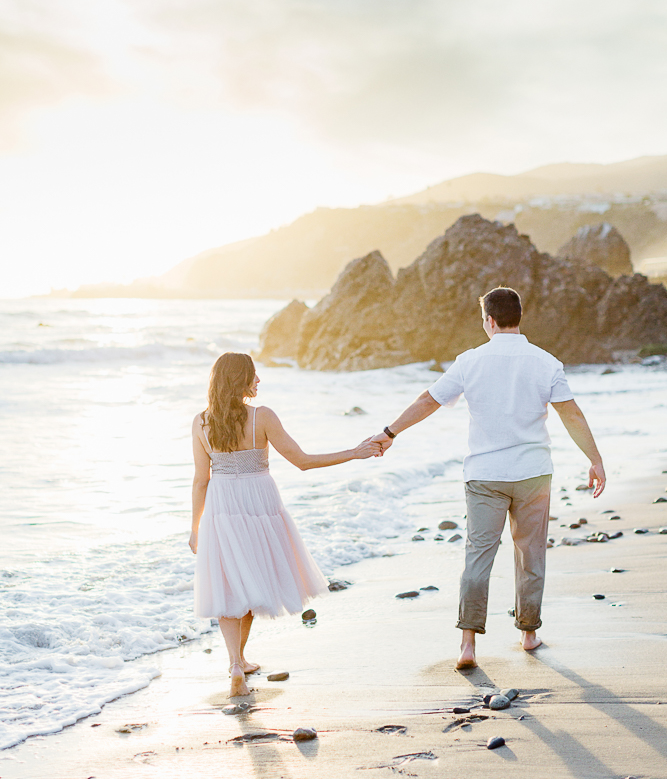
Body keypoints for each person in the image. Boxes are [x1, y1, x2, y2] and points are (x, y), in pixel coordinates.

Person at [373, 287, 606, 670]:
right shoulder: (546, 362)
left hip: (484, 476)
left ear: (490, 320)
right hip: (533, 474)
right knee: (531, 555)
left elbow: (427, 400)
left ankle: (468, 644)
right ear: (518, 317)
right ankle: (529, 634)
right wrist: (594, 459)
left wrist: (390, 432)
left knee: (478, 557)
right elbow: (572, 415)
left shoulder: (470, 361)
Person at [190, 351, 381, 696]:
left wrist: (194, 528)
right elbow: (302, 462)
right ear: (239, 380)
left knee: (229, 586)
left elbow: (200, 480)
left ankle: (236, 662)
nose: (259, 381)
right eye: (253, 375)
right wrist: (354, 452)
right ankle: (239, 661)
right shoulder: (261, 417)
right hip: (259, 503)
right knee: (250, 584)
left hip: (221, 507)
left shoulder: (201, 422)